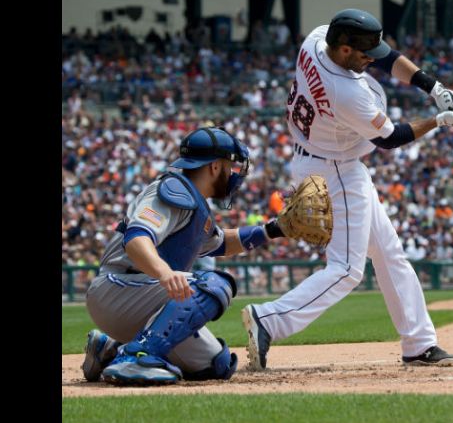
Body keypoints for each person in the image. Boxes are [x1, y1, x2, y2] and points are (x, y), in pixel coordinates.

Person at [241, 8, 453, 370]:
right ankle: (269, 320)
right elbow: (391, 138)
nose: (370, 59)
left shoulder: (317, 37)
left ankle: (419, 343)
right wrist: (439, 121)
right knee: (347, 269)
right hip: (335, 169)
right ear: (344, 49)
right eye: (363, 53)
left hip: (321, 158)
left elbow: (388, 56)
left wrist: (432, 86)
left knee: (389, 252)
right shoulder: (344, 91)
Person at [81, 127, 298, 385]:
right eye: (230, 166)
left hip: (139, 298)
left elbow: (221, 243)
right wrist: (164, 272)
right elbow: (137, 239)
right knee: (215, 285)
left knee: (217, 365)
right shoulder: (173, 190)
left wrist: (273, 229)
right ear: (215, 167)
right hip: (118, 288)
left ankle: (108, 350)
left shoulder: (194, 202)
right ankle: (137, 356)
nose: (233, 174)